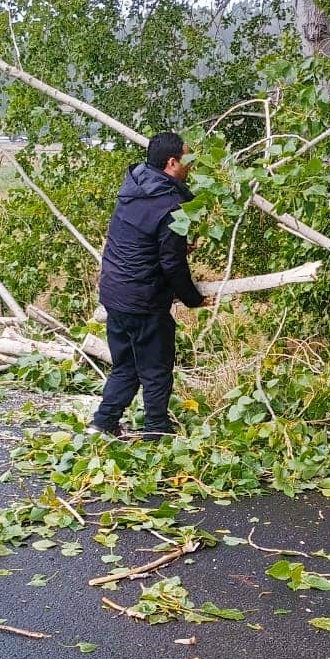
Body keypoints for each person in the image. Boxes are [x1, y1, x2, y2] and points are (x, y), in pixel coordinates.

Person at [87, 132, 204, 441]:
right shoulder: (171, 204)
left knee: (125, 364)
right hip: (142, 299)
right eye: (187, 159)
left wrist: (176, 247)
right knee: (156, 368)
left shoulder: (134, 186)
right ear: (172, 163)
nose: (191, 166)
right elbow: (171, 265)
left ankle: (103, 422)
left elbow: (143, 240)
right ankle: (156, 431)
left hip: (114, 292)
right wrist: (194, 299)